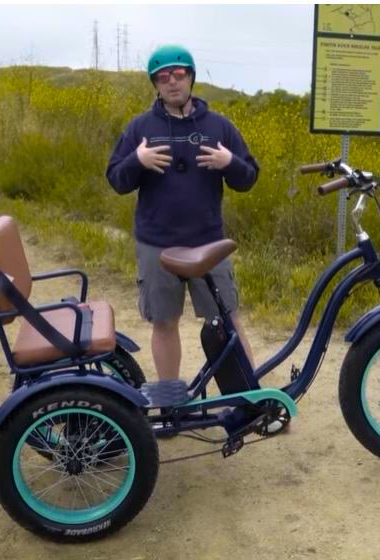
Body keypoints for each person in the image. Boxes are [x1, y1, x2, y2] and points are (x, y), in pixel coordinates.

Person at [106, 45, 259, 383]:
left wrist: (229, 163)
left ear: (190, 77)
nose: (172, 82)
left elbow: (248, 178)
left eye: (178, 74)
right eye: (163, 77)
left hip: (208, 245)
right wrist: (137, 161)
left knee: (227, 321)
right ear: (155, 85)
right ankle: (171, 400)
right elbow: (116, 179)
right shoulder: (140, 128)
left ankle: (251, 398)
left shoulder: (219, 127)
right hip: (157, 246)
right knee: (164, 323)